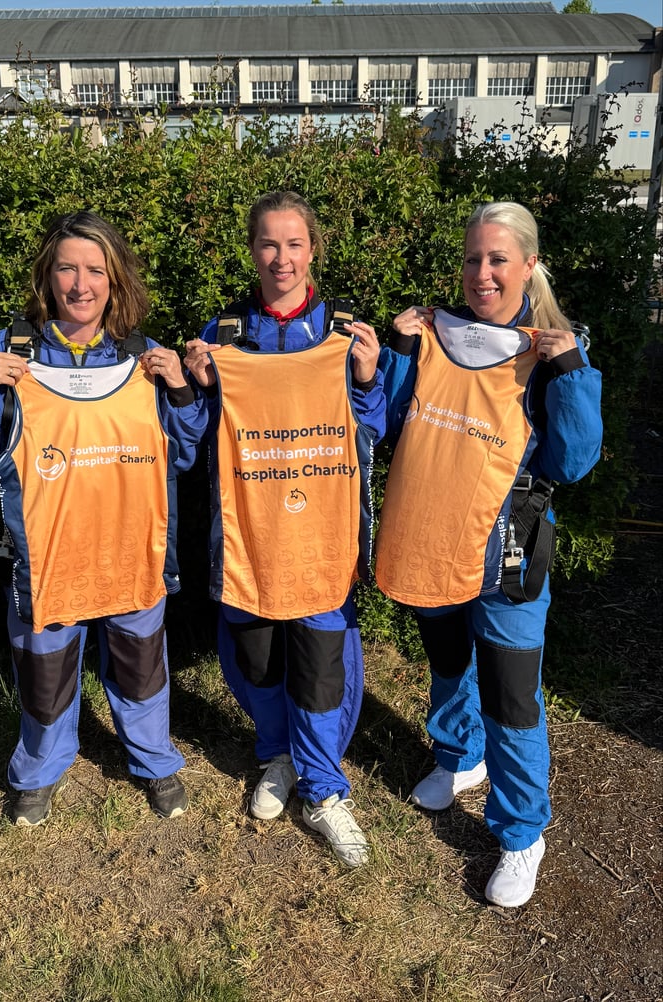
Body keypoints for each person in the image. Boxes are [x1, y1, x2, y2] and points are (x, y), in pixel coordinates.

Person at [0, 211, 207, 827]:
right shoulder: (8, 354)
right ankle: (38, 770)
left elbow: (185, 452)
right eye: (67, 269)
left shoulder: (145, 357)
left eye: (95, 270)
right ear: (48, 277)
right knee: (46, 674)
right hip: (46, 559)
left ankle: (155, 761)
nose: (81, 285)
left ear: (115, 279)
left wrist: (184, 393)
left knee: (142, 672)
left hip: (131, 553)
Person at [375, 201, 602, 906]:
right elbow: (384, 424)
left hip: (508, 549)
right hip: (432, 533)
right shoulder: (438, 334)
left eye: (498, 259)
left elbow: (573, 462)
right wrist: (399, 352)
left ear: (529, 265)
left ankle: (521, 832)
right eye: (473, 259)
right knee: (446, 661)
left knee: (510, 695)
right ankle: (458, 756)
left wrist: (568, 375)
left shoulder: (550, 351)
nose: (482, 273)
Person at [184, 191, 386, 867]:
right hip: (246, 539)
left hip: (320, 538)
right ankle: (278, 755)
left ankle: (326, 790)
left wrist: (364, 381)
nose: (282, 258)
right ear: (252, 251)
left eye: (294, 244)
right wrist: (193, 387)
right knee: (256, 660)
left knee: (323, 670)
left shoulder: (344, 333)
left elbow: (372, 431)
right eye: (268, 244)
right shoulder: (225, 334)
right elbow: (195, 440)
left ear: (314, 249)